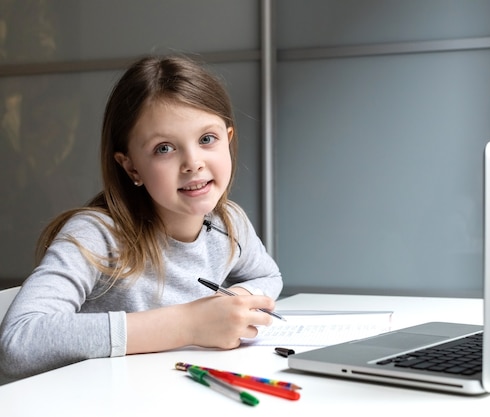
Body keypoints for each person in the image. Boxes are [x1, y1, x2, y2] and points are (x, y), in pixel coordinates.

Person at [0, 55, 283, 381]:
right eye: (164, 148)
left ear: (228, 141)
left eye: (207, 139)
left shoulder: (227, 221)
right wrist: (189, 324)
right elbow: (18, 342)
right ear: (131, 166)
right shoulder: (96, 234)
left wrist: (228, 308)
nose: (193, 163)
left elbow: (269, 277)